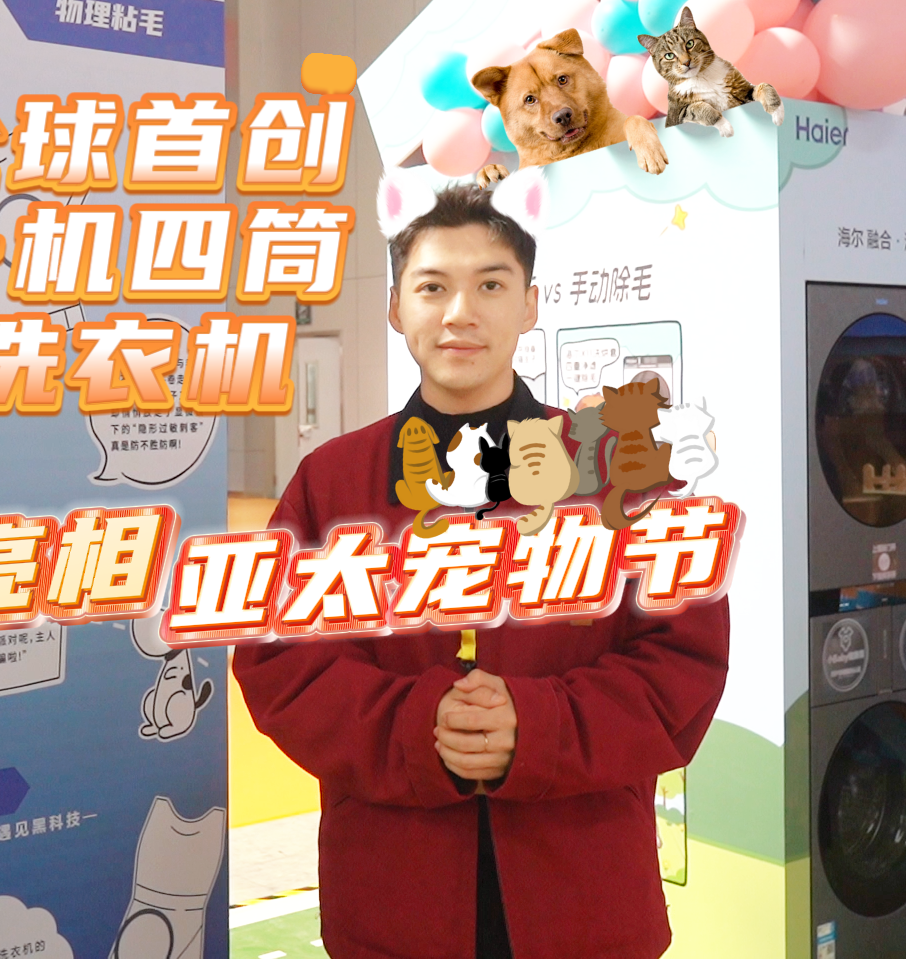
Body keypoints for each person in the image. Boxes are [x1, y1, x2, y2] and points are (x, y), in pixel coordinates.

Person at [232, 182, 731, 959]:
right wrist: (417, 726)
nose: (460, 312)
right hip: (394, 896)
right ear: (396, 308)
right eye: (433, 287)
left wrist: (538, 727)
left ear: (530, 305)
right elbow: (279, 663)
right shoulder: (332, 481)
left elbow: (683, 667)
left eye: (490, 286)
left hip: (585, 896)